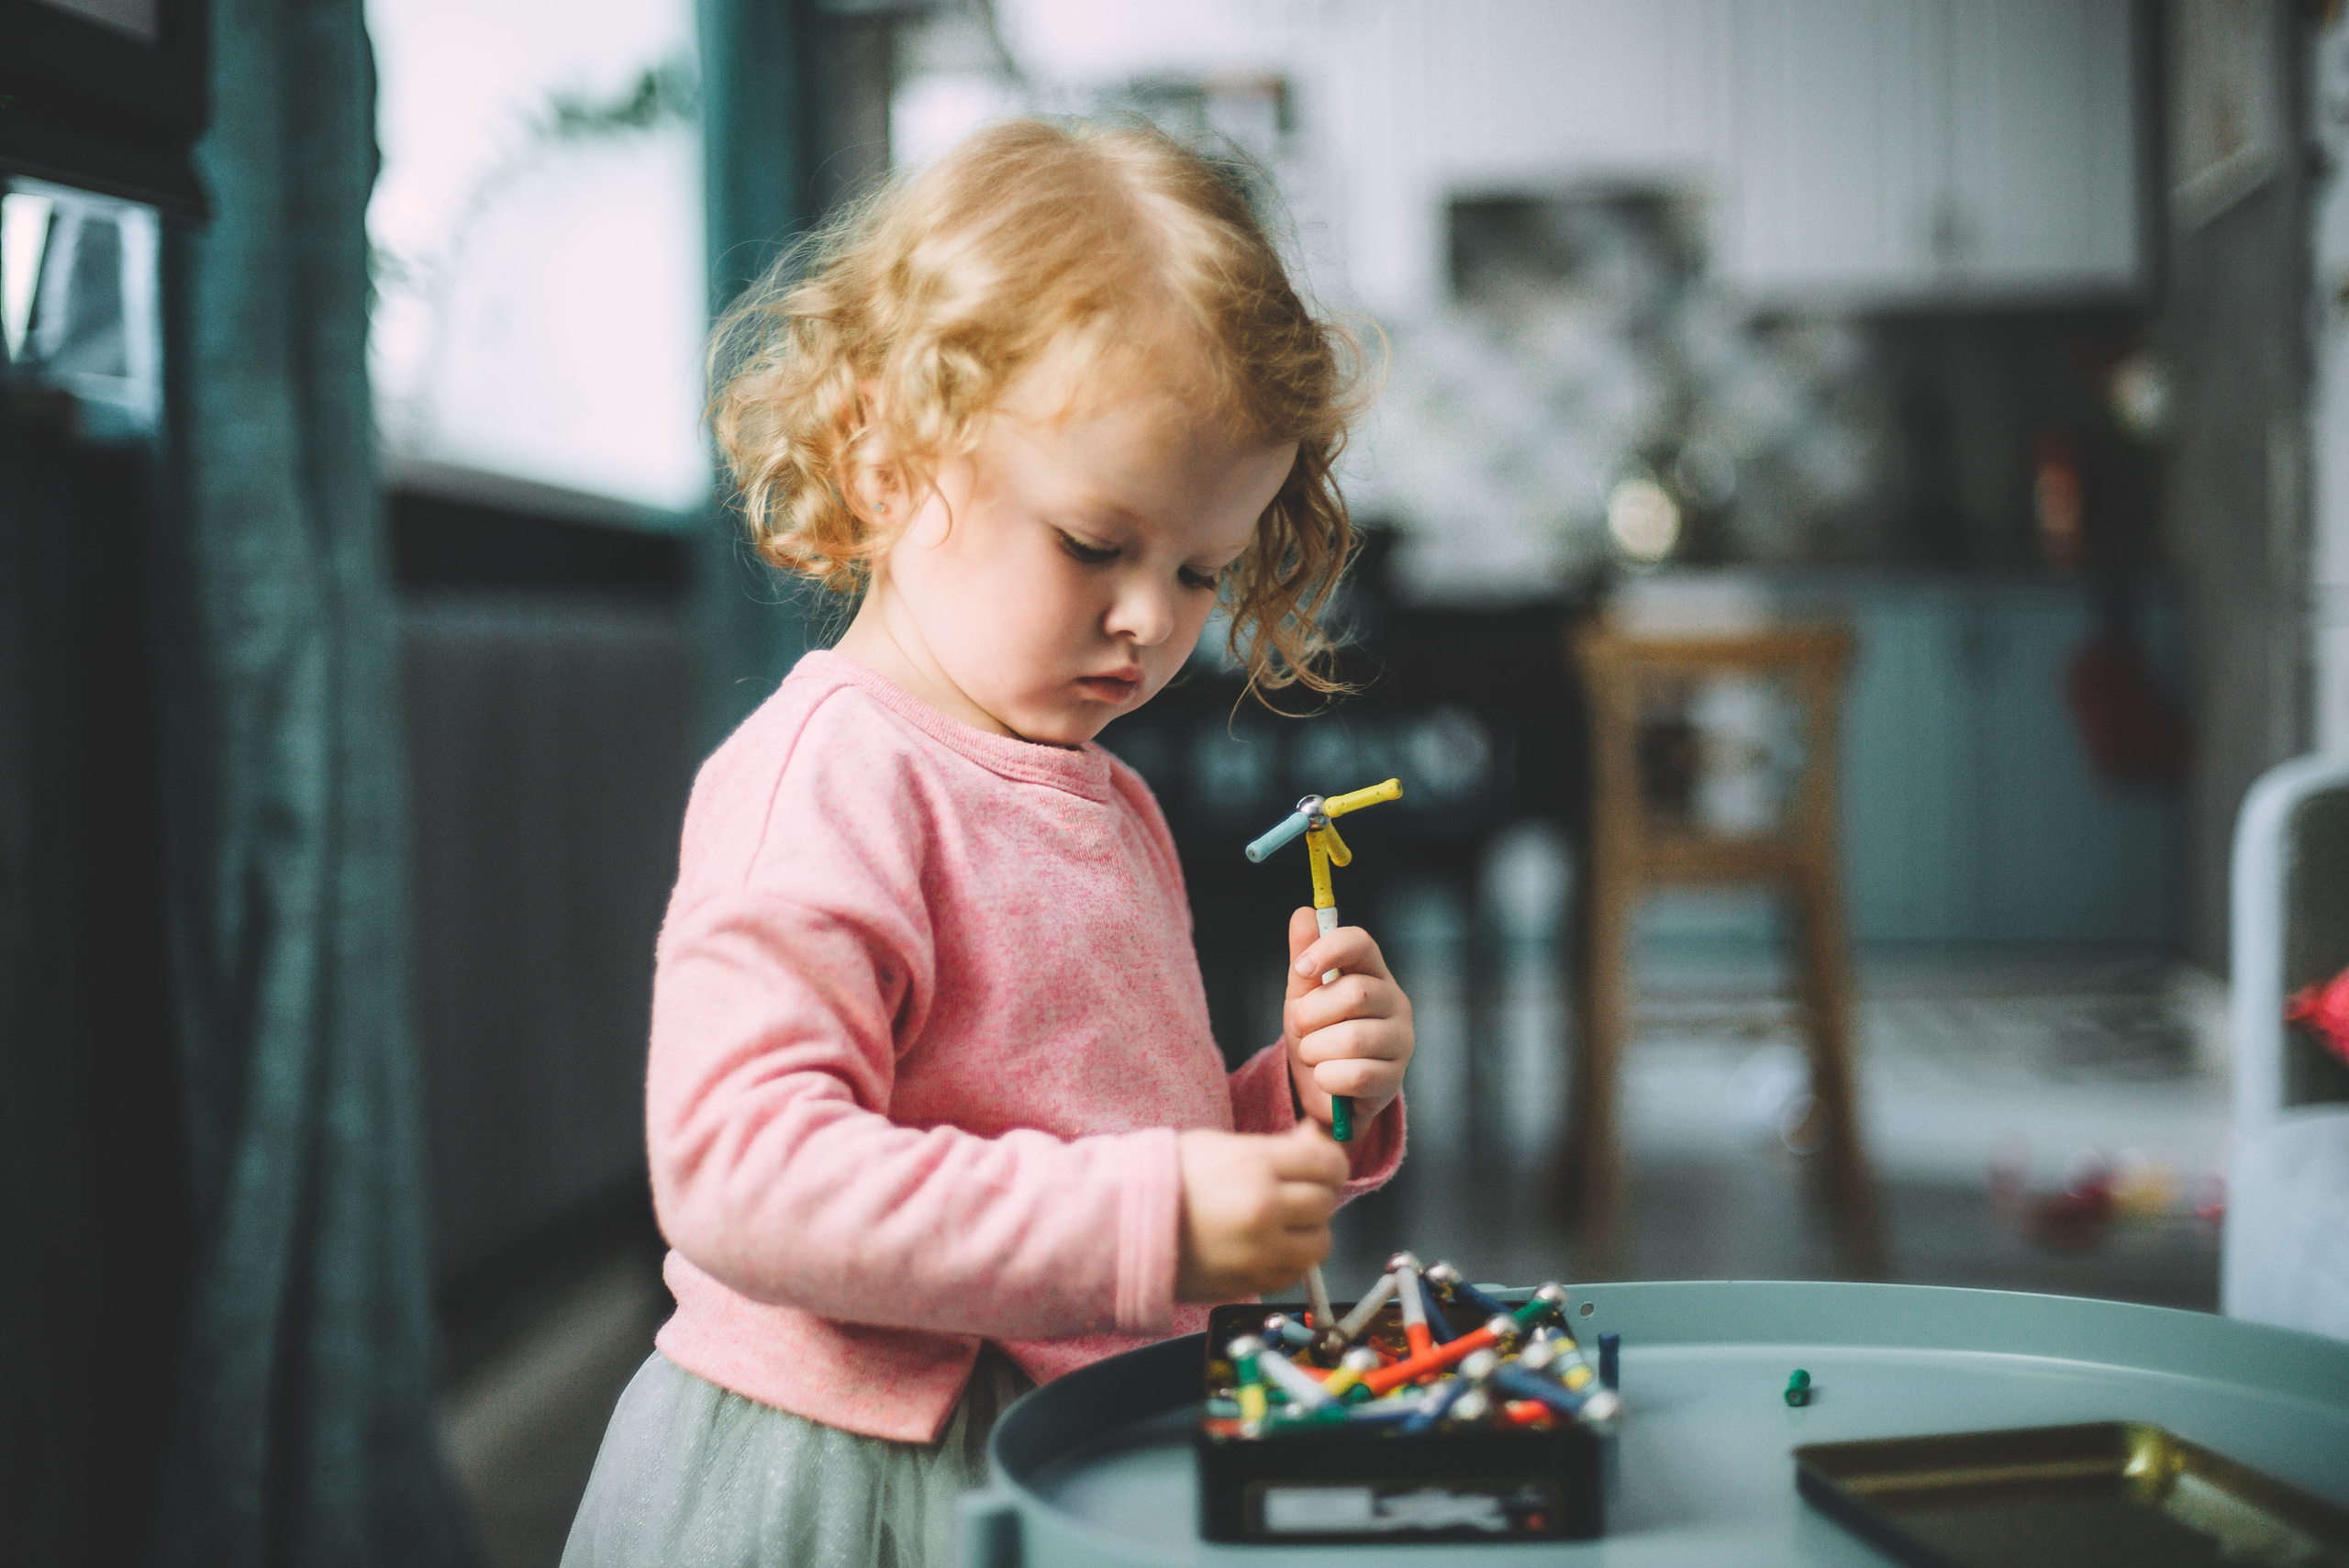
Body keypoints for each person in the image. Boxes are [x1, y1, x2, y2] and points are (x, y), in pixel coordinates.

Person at [562, 117, 1413, 1568]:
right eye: (1095, 543)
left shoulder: (1098, 788)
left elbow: (1082, 1127)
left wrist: (1288, 1116)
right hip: (859, 1483)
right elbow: (742, 1170)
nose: (1150, 618)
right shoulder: (824, 780)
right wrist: (1151, 1219)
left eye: (1201, 568)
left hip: (1056, 1445)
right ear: (885, 459)